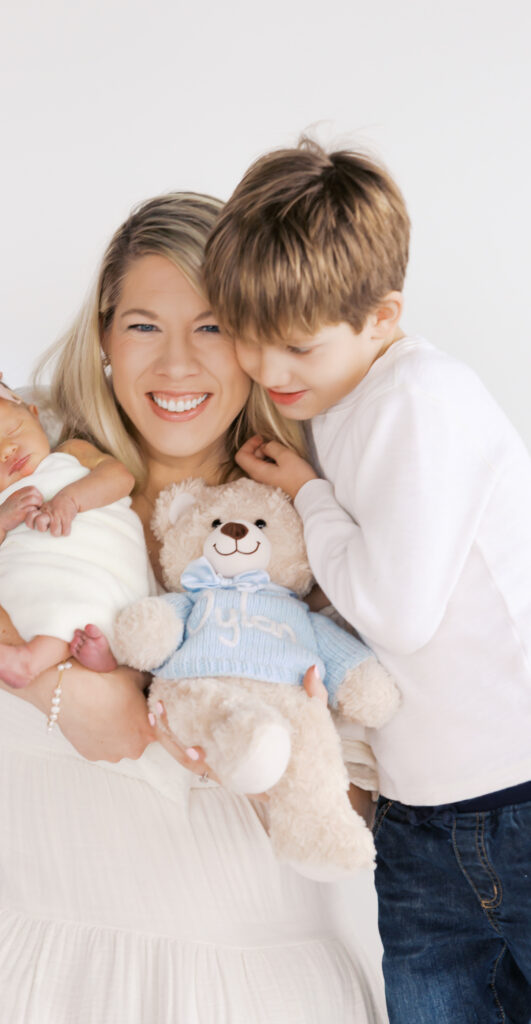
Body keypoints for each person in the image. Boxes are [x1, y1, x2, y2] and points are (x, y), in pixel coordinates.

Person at [0, 190, 386, 1023]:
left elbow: (356, 807)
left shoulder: (301, 509)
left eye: (211, 326)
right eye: (142, 325)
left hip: (257, 986)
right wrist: (64, 691)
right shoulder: (21, 445)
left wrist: (261, 757)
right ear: (102, 334)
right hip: (35, 970)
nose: (176, 365)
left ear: (254, 337)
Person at [204, 137, 531, 1023]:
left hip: (511, 797)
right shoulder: (338, 401)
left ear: (382, 317)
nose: (270, 371)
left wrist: (307, 496)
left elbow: (395, 613)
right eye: (249, 339)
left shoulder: (415, 399)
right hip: (423, 815)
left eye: (297, 346)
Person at [0, 370, 151, 688]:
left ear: (35, 416)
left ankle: (70, 654)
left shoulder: (71, 452)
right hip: (44, 573)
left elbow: (121, 478)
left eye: (13, 430)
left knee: (95, 591)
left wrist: (71, 500)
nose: (6, 450)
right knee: (48, 594)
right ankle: (53, 656)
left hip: (103, 558)